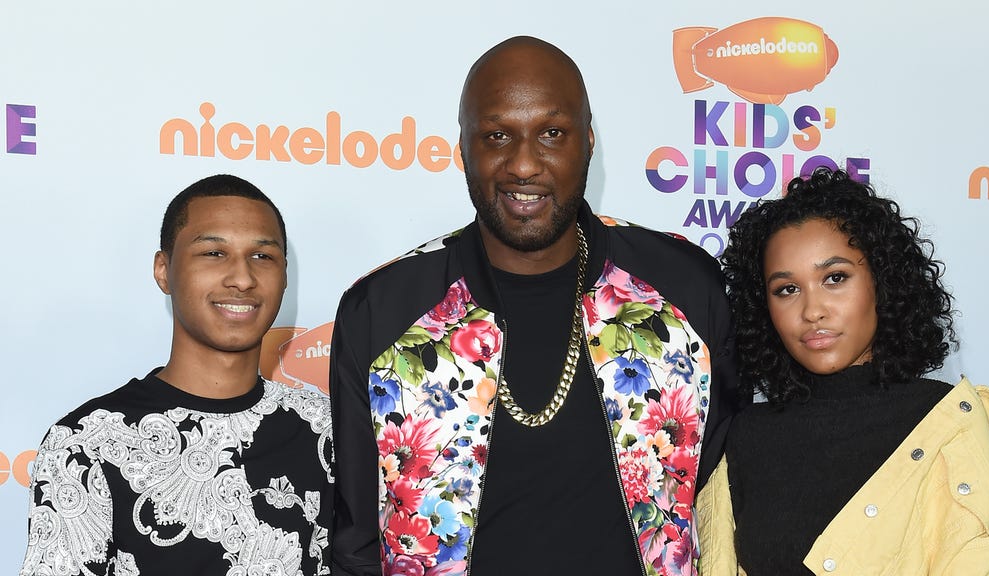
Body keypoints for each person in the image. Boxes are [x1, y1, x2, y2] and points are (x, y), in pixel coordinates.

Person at [330, 36, 739, 576]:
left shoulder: (684, 286)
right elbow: (357, 543)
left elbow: (721, 498)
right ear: (462, 150)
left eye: (551, 133)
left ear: (588, 141)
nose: (524, 164)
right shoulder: (381, 312)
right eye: (497, 135)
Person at [698, 167, 989, 575]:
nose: (812, 311)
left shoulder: (943, 423)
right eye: (787, 289)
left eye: (835, 278)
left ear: (882, 282)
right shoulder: (746, 435)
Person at [20, 175, 334, 576]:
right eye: (214, 253)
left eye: (262, 257)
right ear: (164, 270)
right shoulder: (86, 446)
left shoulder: (328, 428)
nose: (242, 278)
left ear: (284, 276)